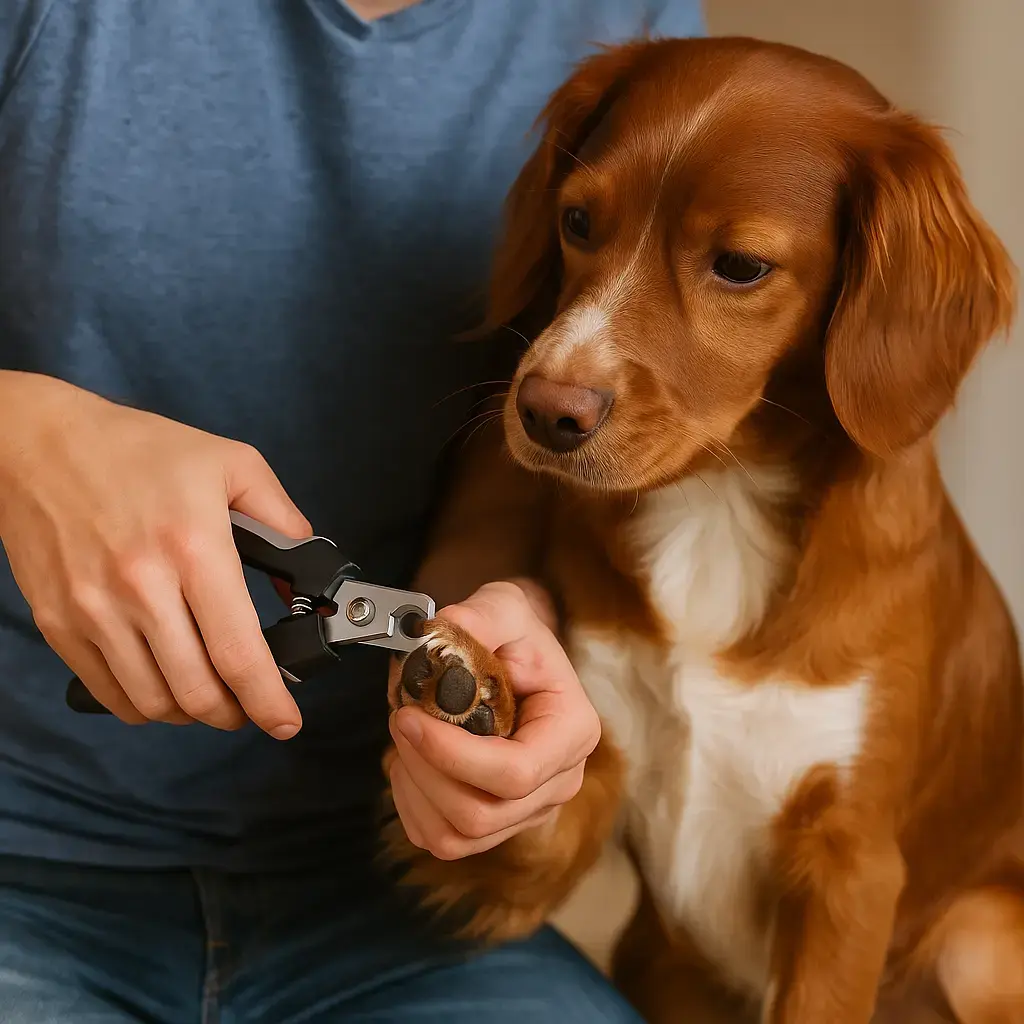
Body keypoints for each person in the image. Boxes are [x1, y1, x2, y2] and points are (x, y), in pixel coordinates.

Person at [0, 1, 705, 1020]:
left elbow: (507, 427)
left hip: (383, 887)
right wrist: (25, 435)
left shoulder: (616, 19)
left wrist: (501, 623)